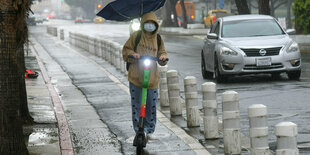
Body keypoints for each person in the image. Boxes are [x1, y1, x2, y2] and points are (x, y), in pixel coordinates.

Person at [122, 12, 168, 141]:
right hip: (136, 76)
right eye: (148, 23)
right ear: (143, 24)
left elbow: (162, 53)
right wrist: (133, 54)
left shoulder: (158, 39)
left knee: (151, 105)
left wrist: (163, 58)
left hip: (152, 78)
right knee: (137, 105)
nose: (150, 25)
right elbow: (126, 50)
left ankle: (150, 130)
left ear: (156, 25)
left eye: (153, 24)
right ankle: (138, 130)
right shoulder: (136, 36)